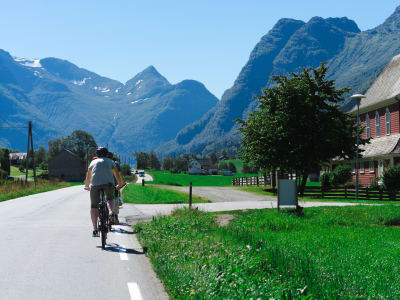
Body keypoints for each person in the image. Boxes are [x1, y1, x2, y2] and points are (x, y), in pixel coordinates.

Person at [84, 147, 124, 237]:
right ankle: (111, 214)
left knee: (94, 206)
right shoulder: (110, 161)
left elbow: (88, 176)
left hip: (94, 185)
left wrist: (87, 186)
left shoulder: (93, 162)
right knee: (110, 198)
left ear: (97, 155)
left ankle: (95, 229)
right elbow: (116, 174)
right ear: (106, 154)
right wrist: (120, 184)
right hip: (108, 184)